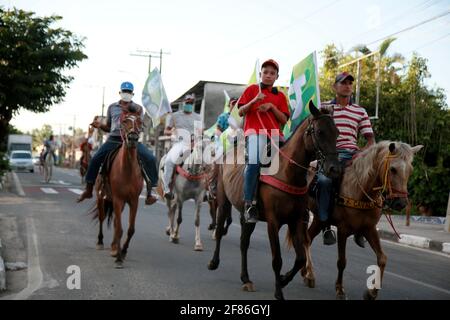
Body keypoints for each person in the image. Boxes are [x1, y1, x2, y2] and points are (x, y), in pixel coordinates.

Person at [317, 72, 375, 247]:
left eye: (350, 83)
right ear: (335, 87)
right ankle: (325, 226)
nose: (347, 85)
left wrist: (360, 154)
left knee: (373, 180)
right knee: (325, 181)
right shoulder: (325, 107)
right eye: (343, 83)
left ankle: (363, 228)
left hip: (353, 156)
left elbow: (371, 140)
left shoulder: (360, 111)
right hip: (329, 155)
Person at [77, 81, 158, 205]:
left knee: (150, 158)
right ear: (120, 93)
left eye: (129, 92)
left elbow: (140, 125)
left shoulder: (138, 109)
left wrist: (135, 129)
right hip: (114, 139)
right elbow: (109, 127)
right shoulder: (112, 107)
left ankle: (150, 192)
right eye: (124, 91)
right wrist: (100, 125)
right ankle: (88, 189)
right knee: (95, 159)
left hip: (132, 140)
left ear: (132, 94)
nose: (126, 94)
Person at [238, 59, 290, 223]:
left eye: (272, 73)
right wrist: (254, 100)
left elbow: (284, 119)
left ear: (277, 76)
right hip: (255, 133)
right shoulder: (252, 89)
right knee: (254, 163)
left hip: (276, 136)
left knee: (296, 160)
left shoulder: (280, 95)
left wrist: (271, 107)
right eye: (265, 72)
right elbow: (240, 112)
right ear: (260, 74)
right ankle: (249, 204)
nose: (268, 75)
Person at [162, 94, 203, 200]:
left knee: (208, 160)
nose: (189, 104)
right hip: (179, 143)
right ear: (183, 102)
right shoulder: (174, 116)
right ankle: (166, 188)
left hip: (194, 143)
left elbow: (199, 133)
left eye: (191, 103)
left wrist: (196, 141)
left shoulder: (198, 117)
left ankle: (207, 191)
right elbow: (166, 130)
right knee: (168, 162)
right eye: (187, 102)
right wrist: (172, 132)